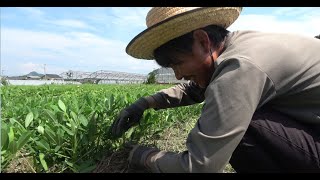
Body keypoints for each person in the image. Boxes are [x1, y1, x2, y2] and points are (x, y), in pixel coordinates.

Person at [110, 7, 320, 173]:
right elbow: (196, 88)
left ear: (203, 40)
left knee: (241, 127)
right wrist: (146, 102)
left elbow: (200, 166)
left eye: (178, 64)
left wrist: (146, 157)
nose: (178, 75)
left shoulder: (241, 65)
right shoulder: (238, 44)